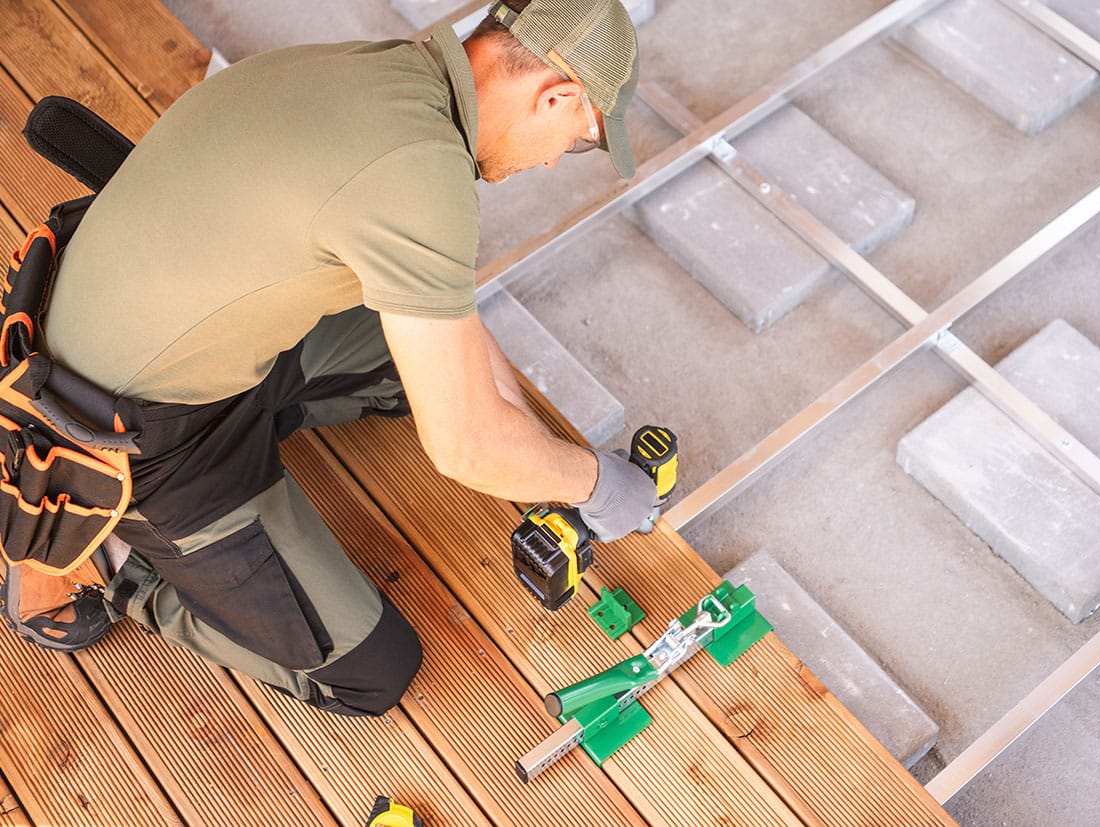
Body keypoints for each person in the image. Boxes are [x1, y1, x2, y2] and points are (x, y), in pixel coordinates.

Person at [0, 0, 654, 718]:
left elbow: (454, 328)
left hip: (150, 330)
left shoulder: (386, 75)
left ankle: (238, 457)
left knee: (418, 362)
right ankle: (111, 561)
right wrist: (596, 483)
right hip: (126, 439)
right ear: (556, 95)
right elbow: (464, 445)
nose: (557, 158)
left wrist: (543, 455)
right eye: (580, 138)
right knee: (372, 672)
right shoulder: (419, 176)